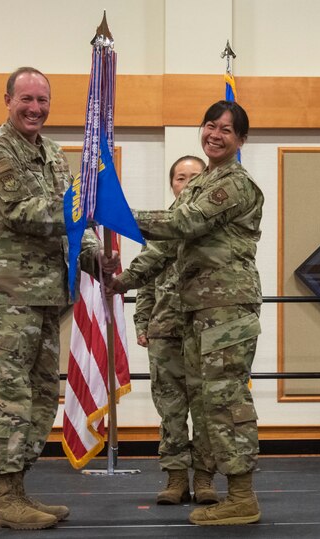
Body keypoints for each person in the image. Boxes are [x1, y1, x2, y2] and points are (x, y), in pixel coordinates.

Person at [0, 66, 114, 530]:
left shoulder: (52, 153)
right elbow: (22, 213)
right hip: (3, 299)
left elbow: (74, 222)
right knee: (9, 397)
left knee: (42, 395)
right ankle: (1, 497)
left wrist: (93, 256)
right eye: (26, 99)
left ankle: (17, 490)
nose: (35, 108)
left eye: (42, 101)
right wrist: (88, 207)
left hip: (47, 298)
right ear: (7, 99)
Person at [109, 100, 263, 526]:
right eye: (210, 126)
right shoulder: (202, 183)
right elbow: (164, 250)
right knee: (205, 402)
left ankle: (242, 497)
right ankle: (226, 491)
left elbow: (184, 225)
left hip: (226, 309)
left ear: (241, 140)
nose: (215, 134)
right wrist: (120, 283)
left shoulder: (232, 183)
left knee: (225, 401)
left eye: (226, 130)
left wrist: (114, 215)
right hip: (199, 312)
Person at [112, 155, 214, 506]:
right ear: (172, 184)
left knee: (205, 408)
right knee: (171, 410)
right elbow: (147, 279)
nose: (186, 183)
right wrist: (142, 324)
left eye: (194, 177)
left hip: (205, 331)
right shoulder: (161, 226)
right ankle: (174, 479)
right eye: (180, 178)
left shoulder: (214, 224)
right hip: (165, 330)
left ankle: (203, 479)